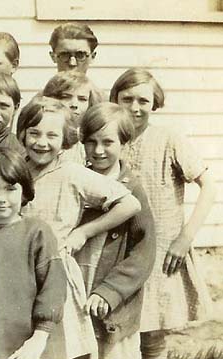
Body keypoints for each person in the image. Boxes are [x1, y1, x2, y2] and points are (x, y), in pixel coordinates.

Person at [16, 96, 141, 359]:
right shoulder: (16, 170)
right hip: (17, 271)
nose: (41, 142)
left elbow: (129, 204)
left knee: (58, 348)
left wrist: (84, 232)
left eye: (52, 135)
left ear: (65, 140)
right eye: (34, 133)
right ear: (22, 133)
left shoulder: (72, 173)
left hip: (54, 273)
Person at [111, 68, 216, 359]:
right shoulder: (109, 140)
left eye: (143, 100)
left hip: (161, 251)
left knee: (153, 337)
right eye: (127, 99)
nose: (134, 107)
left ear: (155, 103)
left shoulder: (169, 140)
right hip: (121, 250)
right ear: (115, 99)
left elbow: (209, 186)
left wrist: (185, 237)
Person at [0, 147, 66, 359]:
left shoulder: (36, 233)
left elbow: (53, 287)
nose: (1, 198)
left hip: (27, 346)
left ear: (24, 191)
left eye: (10, 189)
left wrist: (39, 337)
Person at [75, 102, 156, 359]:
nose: (98, 151)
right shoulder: (77, 182)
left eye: (108, 142)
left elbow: (144, 253)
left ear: (124, 143)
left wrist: (110, 291)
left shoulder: (132, 190)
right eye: (91, 142)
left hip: (112, 304)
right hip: (79, 292)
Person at [42, 71, 104, 164]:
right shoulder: (41, 136)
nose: (74, 105)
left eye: (82, 99)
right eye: (66, 97)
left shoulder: (92, 140)